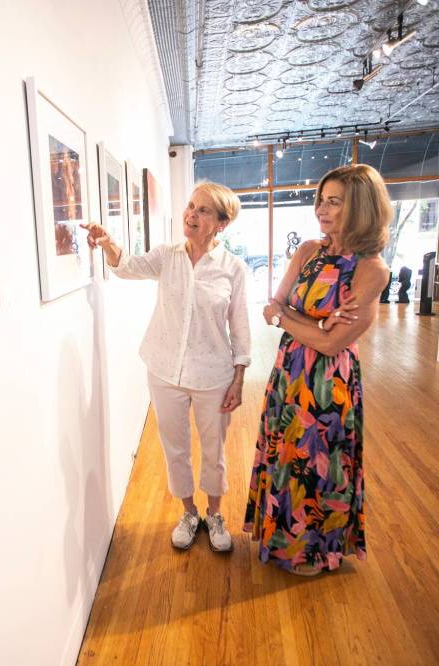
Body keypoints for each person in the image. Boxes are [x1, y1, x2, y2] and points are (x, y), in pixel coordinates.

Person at [81, 182, 250, 552]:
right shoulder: (168, 256)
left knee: (213, 450)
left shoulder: (232, 268)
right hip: (164, 369)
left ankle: (215, 514)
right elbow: (127, 266)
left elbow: (239, 326)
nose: (191, 214)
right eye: (191, 206)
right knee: (174, 448)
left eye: (203, 210)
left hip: (213, 375)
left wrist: (239, 378)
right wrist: (108, 242)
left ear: (221, 223)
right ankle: (189, 513)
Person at [243, 164, 391, 576]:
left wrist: (299, 323)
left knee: (319, 462)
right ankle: (283, 541)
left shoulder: (371, 269)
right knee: (286, 456)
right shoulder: (309, 249)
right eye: (320, 200)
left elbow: (331, 344)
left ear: (360, 207)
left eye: (334, 202)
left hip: (328, 383)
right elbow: (274, 304)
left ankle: (314, 551)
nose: (321, 210)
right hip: (289, 372)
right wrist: (319, 322)